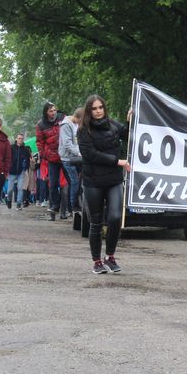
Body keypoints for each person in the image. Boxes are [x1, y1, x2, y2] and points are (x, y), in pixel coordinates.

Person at [77, 95, 131, 274]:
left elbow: (128, 136)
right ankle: (97, 261)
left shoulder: (113, 124)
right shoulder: (84, 130)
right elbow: (90, 154)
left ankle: (110, 257)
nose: (98, 111)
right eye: (94, 108)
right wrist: (117, 161)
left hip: (113, 180)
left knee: (115, 218)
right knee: (96, 222)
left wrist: (129, 121)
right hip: (93, 181)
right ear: (89, 111)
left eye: (100, 107)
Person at [35, 101, 66, 218]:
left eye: (54, 110)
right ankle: (54, 206)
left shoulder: (63, 118)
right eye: (51, 111)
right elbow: (39, 142)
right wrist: (44, 155)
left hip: (65, 156)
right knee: (53, 184)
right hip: (52, 157)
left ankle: (69, 208)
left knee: (69, 183)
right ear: (46, 112)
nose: (53, 112)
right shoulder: (41, 125)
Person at [59, 108, 84, 215]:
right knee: (74, 182)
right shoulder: (66, 125)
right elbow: (67, 144)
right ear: (77, 117)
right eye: (81, 121)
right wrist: (78, 153)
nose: (81, 123)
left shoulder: (75, 124)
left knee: (76, 182)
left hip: (76, 157)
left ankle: (73, 205)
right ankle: (74, 206)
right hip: (68, 158)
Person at [6, 132, 32, 210]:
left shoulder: (25, 149)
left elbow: (28, 160)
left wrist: (26, 168)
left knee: (20, 188)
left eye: (22, 138)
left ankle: (18, 204)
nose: (20, 140)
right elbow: (7, 158)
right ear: (16, 139)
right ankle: (9, 199)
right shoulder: (11, 148)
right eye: (19, 138)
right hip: (12, 171)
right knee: (10, 190)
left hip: (21, 172)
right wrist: (7, 167)